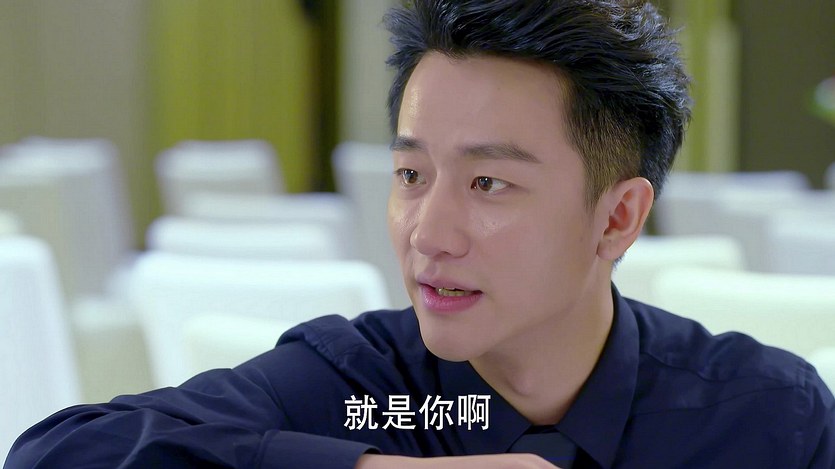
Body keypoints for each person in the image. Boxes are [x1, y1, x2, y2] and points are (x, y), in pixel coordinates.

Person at [6, 1, 835, 468]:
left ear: (616, 217)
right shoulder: (354, 385)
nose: (427, 234)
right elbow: (57, 453)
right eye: (410, 174)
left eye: (488, 183)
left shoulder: (764, 415)